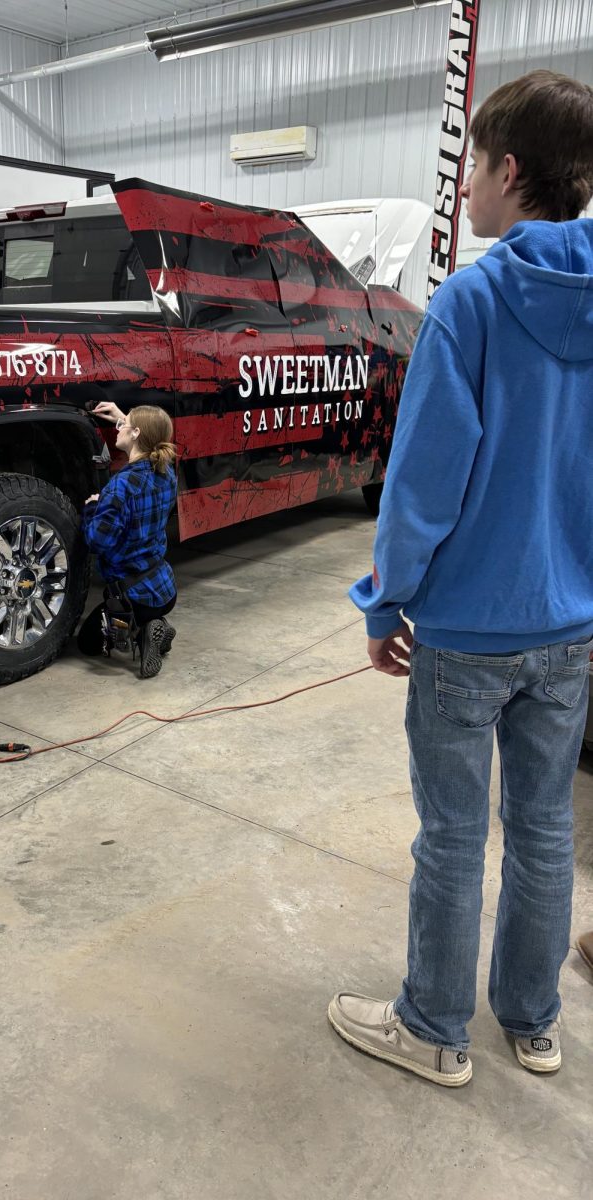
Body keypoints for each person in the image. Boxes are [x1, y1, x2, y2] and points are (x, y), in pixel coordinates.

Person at [328, 70, 593, 1087]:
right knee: (542, 828)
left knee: (451, 834)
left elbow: (423, 484)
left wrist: (385, 600)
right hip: (570, 630)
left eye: (475, 166)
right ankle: (531, 1022)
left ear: (508, 170)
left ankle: (434, 1029)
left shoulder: (471, 303)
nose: (465, 187)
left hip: (467, 634)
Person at [78, 402, 177, 678]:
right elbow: (146, 436)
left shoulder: (120, 486)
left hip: (132, 597)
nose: (118, 428)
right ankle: (155, 625)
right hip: (164, 588)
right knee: (117, 623)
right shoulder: (166, 471)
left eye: (124, 424)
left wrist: (92, 509)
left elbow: (97, 542)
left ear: (136, 434)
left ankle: (142, 634)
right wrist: (123, 417)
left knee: (87, 644)